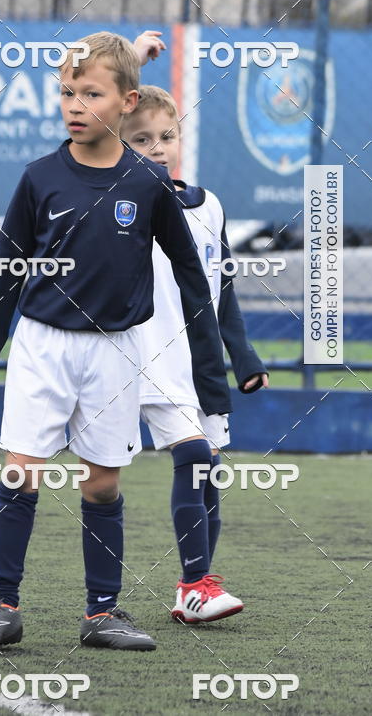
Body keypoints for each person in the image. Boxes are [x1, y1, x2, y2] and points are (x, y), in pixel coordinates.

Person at [0, 32, 232, 652]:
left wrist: (208, 364)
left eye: (91, 93)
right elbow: (3, 276)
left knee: (103, 483)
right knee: (18, 474)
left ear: (125, 100)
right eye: (66, 93)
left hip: (118, 351)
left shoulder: (146, 183)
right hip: (44, 346)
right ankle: (1, 604)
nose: (75, 105)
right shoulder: (39, 179)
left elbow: (192, 276)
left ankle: (102, 614)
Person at [120, 84, 269, 623]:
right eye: (140, 139)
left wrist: (244, 359)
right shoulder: (122, 204)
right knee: (193, 458)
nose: (157, 147)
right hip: (147, 353)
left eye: (166, 136)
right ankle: (193, 586)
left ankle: (196, 584)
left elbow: (222, 288)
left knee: (211, 476)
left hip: (200, 359)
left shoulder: (210, 207)